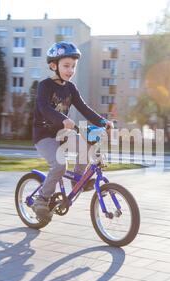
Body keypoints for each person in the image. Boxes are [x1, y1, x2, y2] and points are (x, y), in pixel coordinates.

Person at [32, 41, 114, 222]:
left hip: (63, 134)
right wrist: (62, 119)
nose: (70, 70)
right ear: (54, 66)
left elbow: (83, 108)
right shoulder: (45, 86)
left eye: (73, 67)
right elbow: (44, 108)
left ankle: (78, 181)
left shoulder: (71, 88)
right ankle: (42, 200)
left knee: (87, 145)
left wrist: (102, 121)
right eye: (66, 66)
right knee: (60, 165)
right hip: (44, 136)